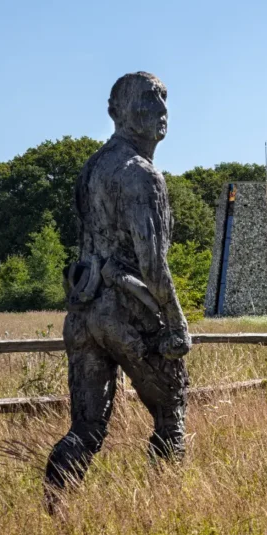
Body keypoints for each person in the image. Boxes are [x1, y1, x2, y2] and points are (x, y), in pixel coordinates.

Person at [45, 72, 191, 498]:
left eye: (164, 98)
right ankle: (167, 504)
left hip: (85, 310)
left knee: (87, 427)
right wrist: (178, 323)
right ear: (117, 112)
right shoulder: (140, 174)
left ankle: (54, 508)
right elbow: (153, 263)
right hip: (127, 309)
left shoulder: (92, 168)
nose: (161, 110)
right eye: (147, 100)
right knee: (171, 414)